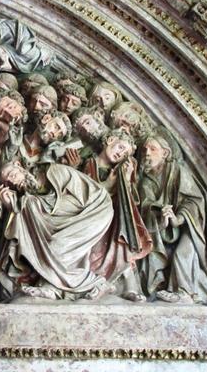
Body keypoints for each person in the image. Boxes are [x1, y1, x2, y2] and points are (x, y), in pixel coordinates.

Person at [138, 129, 207, 305]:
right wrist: (161, 218)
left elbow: (193, 201)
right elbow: (146, 206)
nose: (147, 153)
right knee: (182, 266)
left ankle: (183, 293)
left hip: (190, 227)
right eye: (145, 150)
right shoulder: (146, 181)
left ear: (165, 153)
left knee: (182, 254)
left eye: (153, 149)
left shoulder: (178, 171)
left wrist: (177, 219)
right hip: (162, 233)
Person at [0, 161, 114, 300]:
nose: (13, 182)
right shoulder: (30, 193)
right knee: (51, 247)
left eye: (12, 175)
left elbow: (54, 206)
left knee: (56, 247)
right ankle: (52, 287)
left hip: (96, 210)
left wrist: (18, 204)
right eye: (8, 182)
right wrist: (12, 206)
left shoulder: (54, 171)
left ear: (19, 165)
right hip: (76, 218)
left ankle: (96, 283)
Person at [82, 128, 152, 302]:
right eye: (120, 147)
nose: (120, 154)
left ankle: (129, 285)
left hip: (112, 223)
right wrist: (108, 184)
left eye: (125, 154)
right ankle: (95, 282)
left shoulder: (117, 172)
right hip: (89, 220)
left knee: (122, 235)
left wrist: (126, 179)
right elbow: (85, 196)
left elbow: (130, 203)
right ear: (110, 140)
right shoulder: (90, 164)